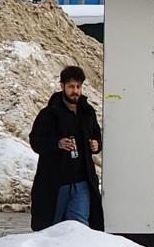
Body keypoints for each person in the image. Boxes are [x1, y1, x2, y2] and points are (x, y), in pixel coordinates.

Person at [28, 65, 104, 231]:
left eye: (78, 86)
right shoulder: (49, 114)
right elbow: (35, 141)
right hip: (55, 182)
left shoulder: (87, 112)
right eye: (71, 86)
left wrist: (96, 144)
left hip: (82, 182)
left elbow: (97, 136)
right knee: (52, 229)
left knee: (80, 228)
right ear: (62, 86)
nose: (75, 91)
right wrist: (57, 143)